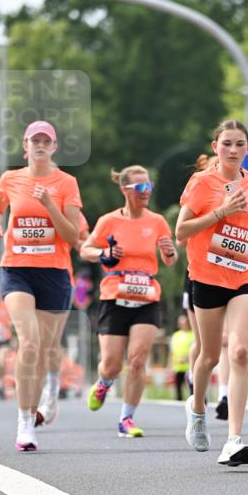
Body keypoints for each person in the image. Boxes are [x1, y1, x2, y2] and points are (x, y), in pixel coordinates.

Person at [176, 119, 248, 466]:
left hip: (244, 273)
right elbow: (181, 231)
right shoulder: (202, 182)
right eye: (227, 144)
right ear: (216, 146)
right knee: (208, 357)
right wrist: (221, 212)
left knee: (238, 352)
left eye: (240, 144)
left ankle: (234, 440)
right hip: (206, 277)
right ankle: (197, 410)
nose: (233, 150)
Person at [0, 120, 82, 451]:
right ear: (24, 146)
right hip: (17, 270)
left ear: (54, 147)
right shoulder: (10, 178)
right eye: (34, 140)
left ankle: (40, 402)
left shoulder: (66, 183)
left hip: (54, 273)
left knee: (43, 350)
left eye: (46, 141)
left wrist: (50, 205)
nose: (40, 145)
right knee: (28, 343)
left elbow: (72, 236)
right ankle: (25, 423)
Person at [80, 165, 178, 437]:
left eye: (150, 187)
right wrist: (105, 251)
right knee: (112, 363)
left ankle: (127, 418)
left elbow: (170, 260)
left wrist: (170, 253)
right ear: (125, 190)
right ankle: (103, 382)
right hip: (114, 295)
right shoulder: (109, 221)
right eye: (141, 188)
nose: (147, 192)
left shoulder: (157, 221)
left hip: (147, 296)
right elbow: (85, 250)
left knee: (137, 361)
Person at [180, 153, 230, 419]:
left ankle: (224, 395)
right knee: (203, 344)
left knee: (227, 342)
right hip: (198, 275)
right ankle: (195, 384)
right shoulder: (200, 190)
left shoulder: (235, 193)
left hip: (231, 274)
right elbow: (180, 235)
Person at [35, 209, 90, 427]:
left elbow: (83, 241)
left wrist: (96, 250)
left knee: (49, 342)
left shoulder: (68, 205)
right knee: (31, 341)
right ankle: (30, 400)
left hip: (57, 280)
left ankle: (49, 398)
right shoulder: (19, 195)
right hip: (23, 280)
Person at [169, 314, 194, 401]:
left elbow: (195, 349)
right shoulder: (176, 335)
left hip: (189, 366)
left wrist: (186, 359)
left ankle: (192, 401)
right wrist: (170, 365)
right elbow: (171, 351)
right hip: (177, 366)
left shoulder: (193, 335)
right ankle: (178, 400)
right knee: (178, 387)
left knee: (191, 386)